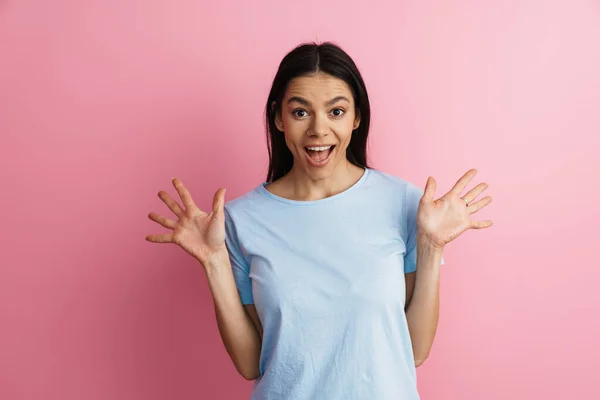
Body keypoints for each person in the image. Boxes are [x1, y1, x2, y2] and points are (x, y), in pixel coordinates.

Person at [146, 42, 493, 400]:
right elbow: (251, 363)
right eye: (300, 113)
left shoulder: (405, 204)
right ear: (279, 117)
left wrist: (431, 246)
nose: (318, 130)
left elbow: (415, 350)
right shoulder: (238, 221)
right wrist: (213, 261)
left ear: (357, 117)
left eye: (336, 112)